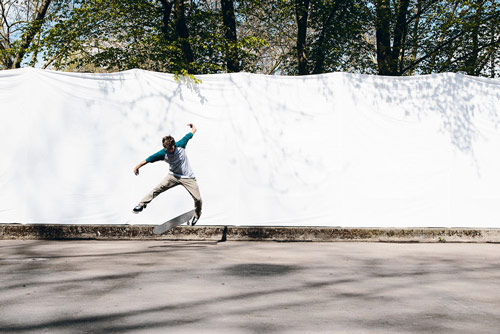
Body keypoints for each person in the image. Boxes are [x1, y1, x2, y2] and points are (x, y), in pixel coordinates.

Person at [133, 123, 202, 225]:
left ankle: (196, 216)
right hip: (173, 176)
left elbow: (192, 132)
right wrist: (137, 166)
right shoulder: (162, 153)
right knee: (157, 189)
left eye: (171, 148)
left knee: (198, 199)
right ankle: (141, 204)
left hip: (188, 177)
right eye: (168, 149)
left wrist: (193, 127)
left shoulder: (181, 144)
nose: (170, 151)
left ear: (174, 144)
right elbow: (149, 159)